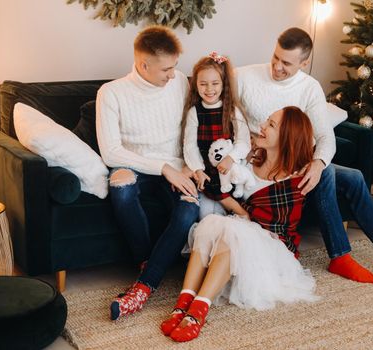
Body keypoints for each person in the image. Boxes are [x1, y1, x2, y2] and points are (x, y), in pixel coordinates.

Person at [235, 27, 373, 283]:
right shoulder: (246, 76)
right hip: (265, 162)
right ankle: (340, 257)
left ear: (304, 62)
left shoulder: (309, 88)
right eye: (275, 57)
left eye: (287, 63)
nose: (277, 67)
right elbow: (218, 94)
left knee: (350, 176)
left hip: (295, 162)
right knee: (330, 171)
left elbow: (326, 137)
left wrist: (317, 162)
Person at [161, 107, 319, 342]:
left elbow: (277, 223)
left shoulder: (296, 178)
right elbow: (224, 192)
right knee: (211, 225)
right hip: (241, 233)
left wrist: (243, 217)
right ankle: (183, 303)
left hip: (273, 248)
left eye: (272, 125)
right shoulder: (250, 158)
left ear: (287, 135)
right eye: (267, 120)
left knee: (231, 232)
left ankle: (197, 312)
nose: (263, 126)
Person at [96, 25, 200, 321]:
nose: (173, 74)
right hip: (135, 165)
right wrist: (162, 168)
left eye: (175, 66)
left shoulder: (180, 82)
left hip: (176, 164)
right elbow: (111, 152)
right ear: (143, 65)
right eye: (166, 68)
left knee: (188, 210)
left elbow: (193, 130)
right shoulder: (112, 93)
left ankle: (143, 287)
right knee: (121, 186)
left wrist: (189, 167)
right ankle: (147, 264)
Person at [182, 52, 251, 219]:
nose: (209, 89)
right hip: (206, 171)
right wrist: (198, 169)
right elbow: (190, 145)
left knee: (227, 206)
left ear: (223, 83)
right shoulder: (194, 112)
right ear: (195, 84)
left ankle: (240, 215)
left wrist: (231, 158)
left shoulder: (232, 110)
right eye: (203, 84)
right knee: (205, 215)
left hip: (229, 168)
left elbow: (244, 141)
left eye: (215, 83)